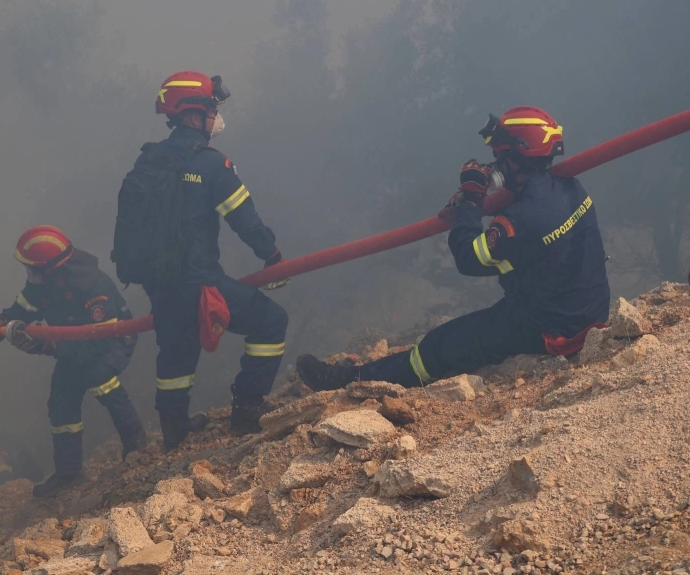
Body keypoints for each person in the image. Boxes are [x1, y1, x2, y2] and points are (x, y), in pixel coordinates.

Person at [297, 106, 611, 390]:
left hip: (553, 329)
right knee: (477, 321)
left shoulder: (518, 221)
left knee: (440, 344)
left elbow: (467, 259)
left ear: (516, 158)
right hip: (588, 308)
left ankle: (350, 382)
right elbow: (537, 224)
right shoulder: (571, 186)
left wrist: (472, 202)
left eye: (500, 157)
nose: (496, 164)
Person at [134, 72, 290, 451]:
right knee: (271, 322)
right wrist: (272, 257)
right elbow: (245, 220)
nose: (217, 118)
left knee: (176, 352)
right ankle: (247, 411)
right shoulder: (210, 165)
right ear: (192, 116)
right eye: (212, 109)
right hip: (200, 282)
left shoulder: (149, 161)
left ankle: (173, 431)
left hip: (159, 284)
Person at [0, 226, 147, 497]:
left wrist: (45, 346)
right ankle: (70, 474)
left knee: (100, 378)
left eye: (32, 268)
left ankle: (137, 446)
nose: (29, 275)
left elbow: (98, 341)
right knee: (60, 400)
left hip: (111, 342)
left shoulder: (94, 287)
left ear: (53, 268)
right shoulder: (41, 285)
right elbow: (19, 312)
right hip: (73, 348)